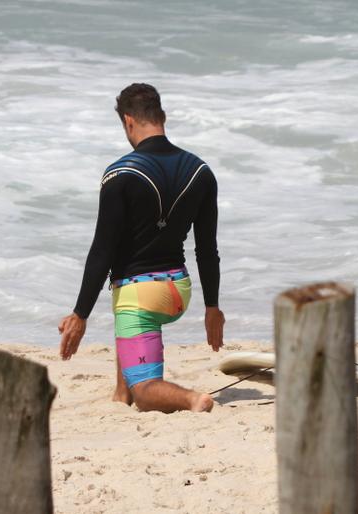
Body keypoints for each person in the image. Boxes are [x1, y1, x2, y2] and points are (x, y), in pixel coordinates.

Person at [58, 83, 224, 413]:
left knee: (146, 390)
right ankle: (121, 394)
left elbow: (102, 250)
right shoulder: (201, 172)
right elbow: (207, 249)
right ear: (161, 116)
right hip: (179, 290)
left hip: (141, 296)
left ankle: (191, 398)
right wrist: (212, 308)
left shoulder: (120, 174)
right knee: (128, 308)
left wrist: (80, 313)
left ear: (129, 121)